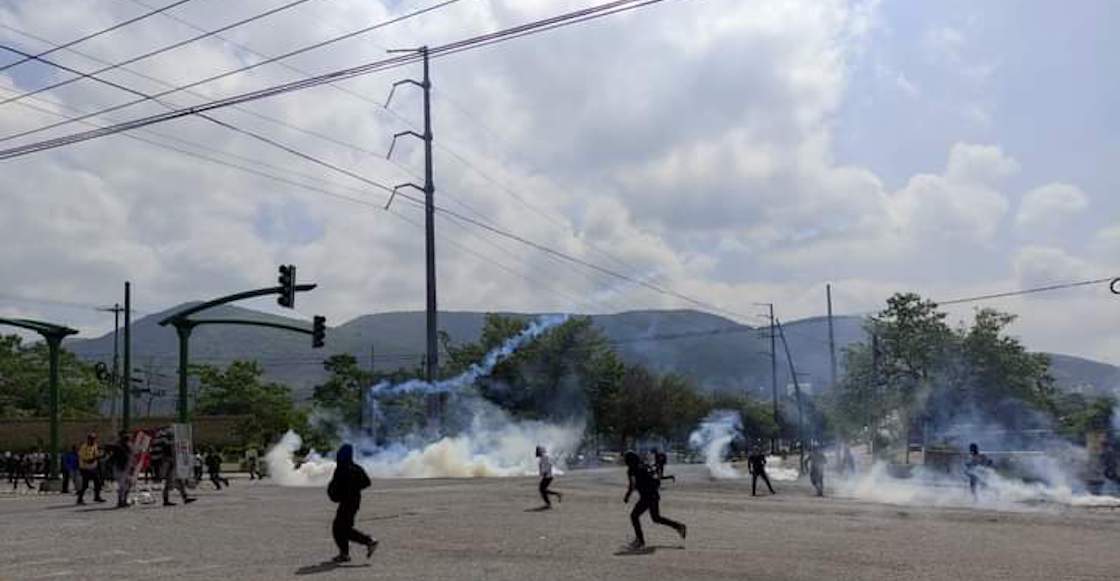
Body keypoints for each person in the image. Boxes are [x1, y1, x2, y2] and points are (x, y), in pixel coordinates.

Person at [623, 450, 685, 550]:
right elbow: (655, 476)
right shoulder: (644, 465)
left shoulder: (632, 469)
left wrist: (627, 496)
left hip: (646, 497)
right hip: (654, 495)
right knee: (656, 518)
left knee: (634, 516)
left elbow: (632, 485)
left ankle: (640, 540)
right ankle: (678, 526)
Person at [327, 444, 377, 563]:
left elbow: (334, 487)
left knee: (340, 529)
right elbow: (367, 482)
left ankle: (368, 541)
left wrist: (344, 492)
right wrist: (354, 488)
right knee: (341, 528)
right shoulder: (356, 468)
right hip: (354, 502)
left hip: (347, 503)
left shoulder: (341, 469)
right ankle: (345, 553)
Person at [151, 428, 195, 506]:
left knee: (178, 481)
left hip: (170, 464)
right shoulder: (168, 444)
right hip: (170, 464)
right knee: (170, 482)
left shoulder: (165, 443)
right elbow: (170, 455)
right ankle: (167, 500)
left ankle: (184, 497)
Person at [76, 432, 106, 504]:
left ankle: (97, 496)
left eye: (94, 439)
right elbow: (86, 460)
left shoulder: (94, 446)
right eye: (91, 439)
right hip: (85, 468)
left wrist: (101, 455)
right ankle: (79, 499)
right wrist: (96, 457)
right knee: (85, 485)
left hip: (93, 468)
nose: (93, 441)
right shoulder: (84, 447)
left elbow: (96, 455)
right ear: (88, 439)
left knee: (98, 482)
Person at [108, 431, 134, 508]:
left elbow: (131, 459)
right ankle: (120, 502)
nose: (129, 442)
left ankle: (124, 500)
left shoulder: (129, 449)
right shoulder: (119, 448)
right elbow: (109, 447)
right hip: (120, 469)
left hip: (127, 469)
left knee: (128, 485)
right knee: (122, 486)